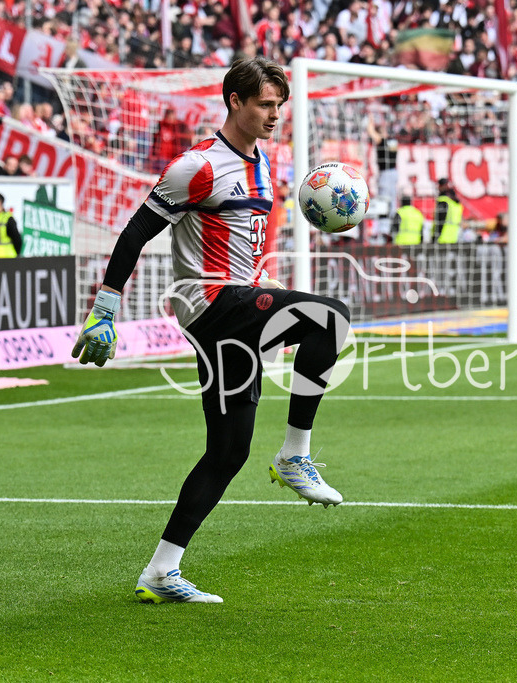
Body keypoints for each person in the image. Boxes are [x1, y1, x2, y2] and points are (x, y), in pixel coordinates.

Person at [70, 57, 350, 605]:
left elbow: (238, 239)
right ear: (235, 102)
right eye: (265, 104)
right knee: (330, 316)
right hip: (213, 305)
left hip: (235, 308)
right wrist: (105, 307)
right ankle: (295, 454)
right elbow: (135, 233)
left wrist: (258, 277)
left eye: (279, 106)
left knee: (227, 453)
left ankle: (160, 570)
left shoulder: (263, 165)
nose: (274, 115)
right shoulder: (197, 166)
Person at [433, 177, 463, 244]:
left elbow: (440, 221)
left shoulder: (443, 200)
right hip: (453, 238)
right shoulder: (455, 203)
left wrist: (434, 238)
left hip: (442, 239)